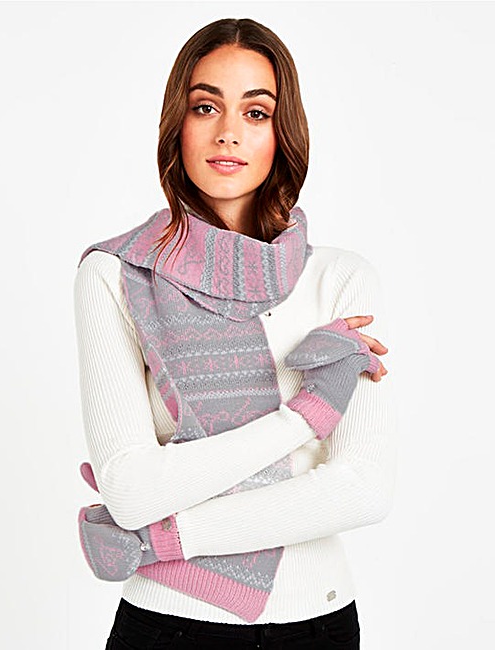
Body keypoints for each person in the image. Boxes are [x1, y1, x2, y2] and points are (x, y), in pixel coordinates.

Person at [74, 17, 395, 650]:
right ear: (178, 123)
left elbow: (364, 490)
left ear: (283, 132)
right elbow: (130, 492)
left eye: (256, 112)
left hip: (321, 623)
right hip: (166, 627)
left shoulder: (341, 279)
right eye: (205, 106)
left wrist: (167, 536)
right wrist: (306, 416)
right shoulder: (115, 274)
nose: (228, 132)